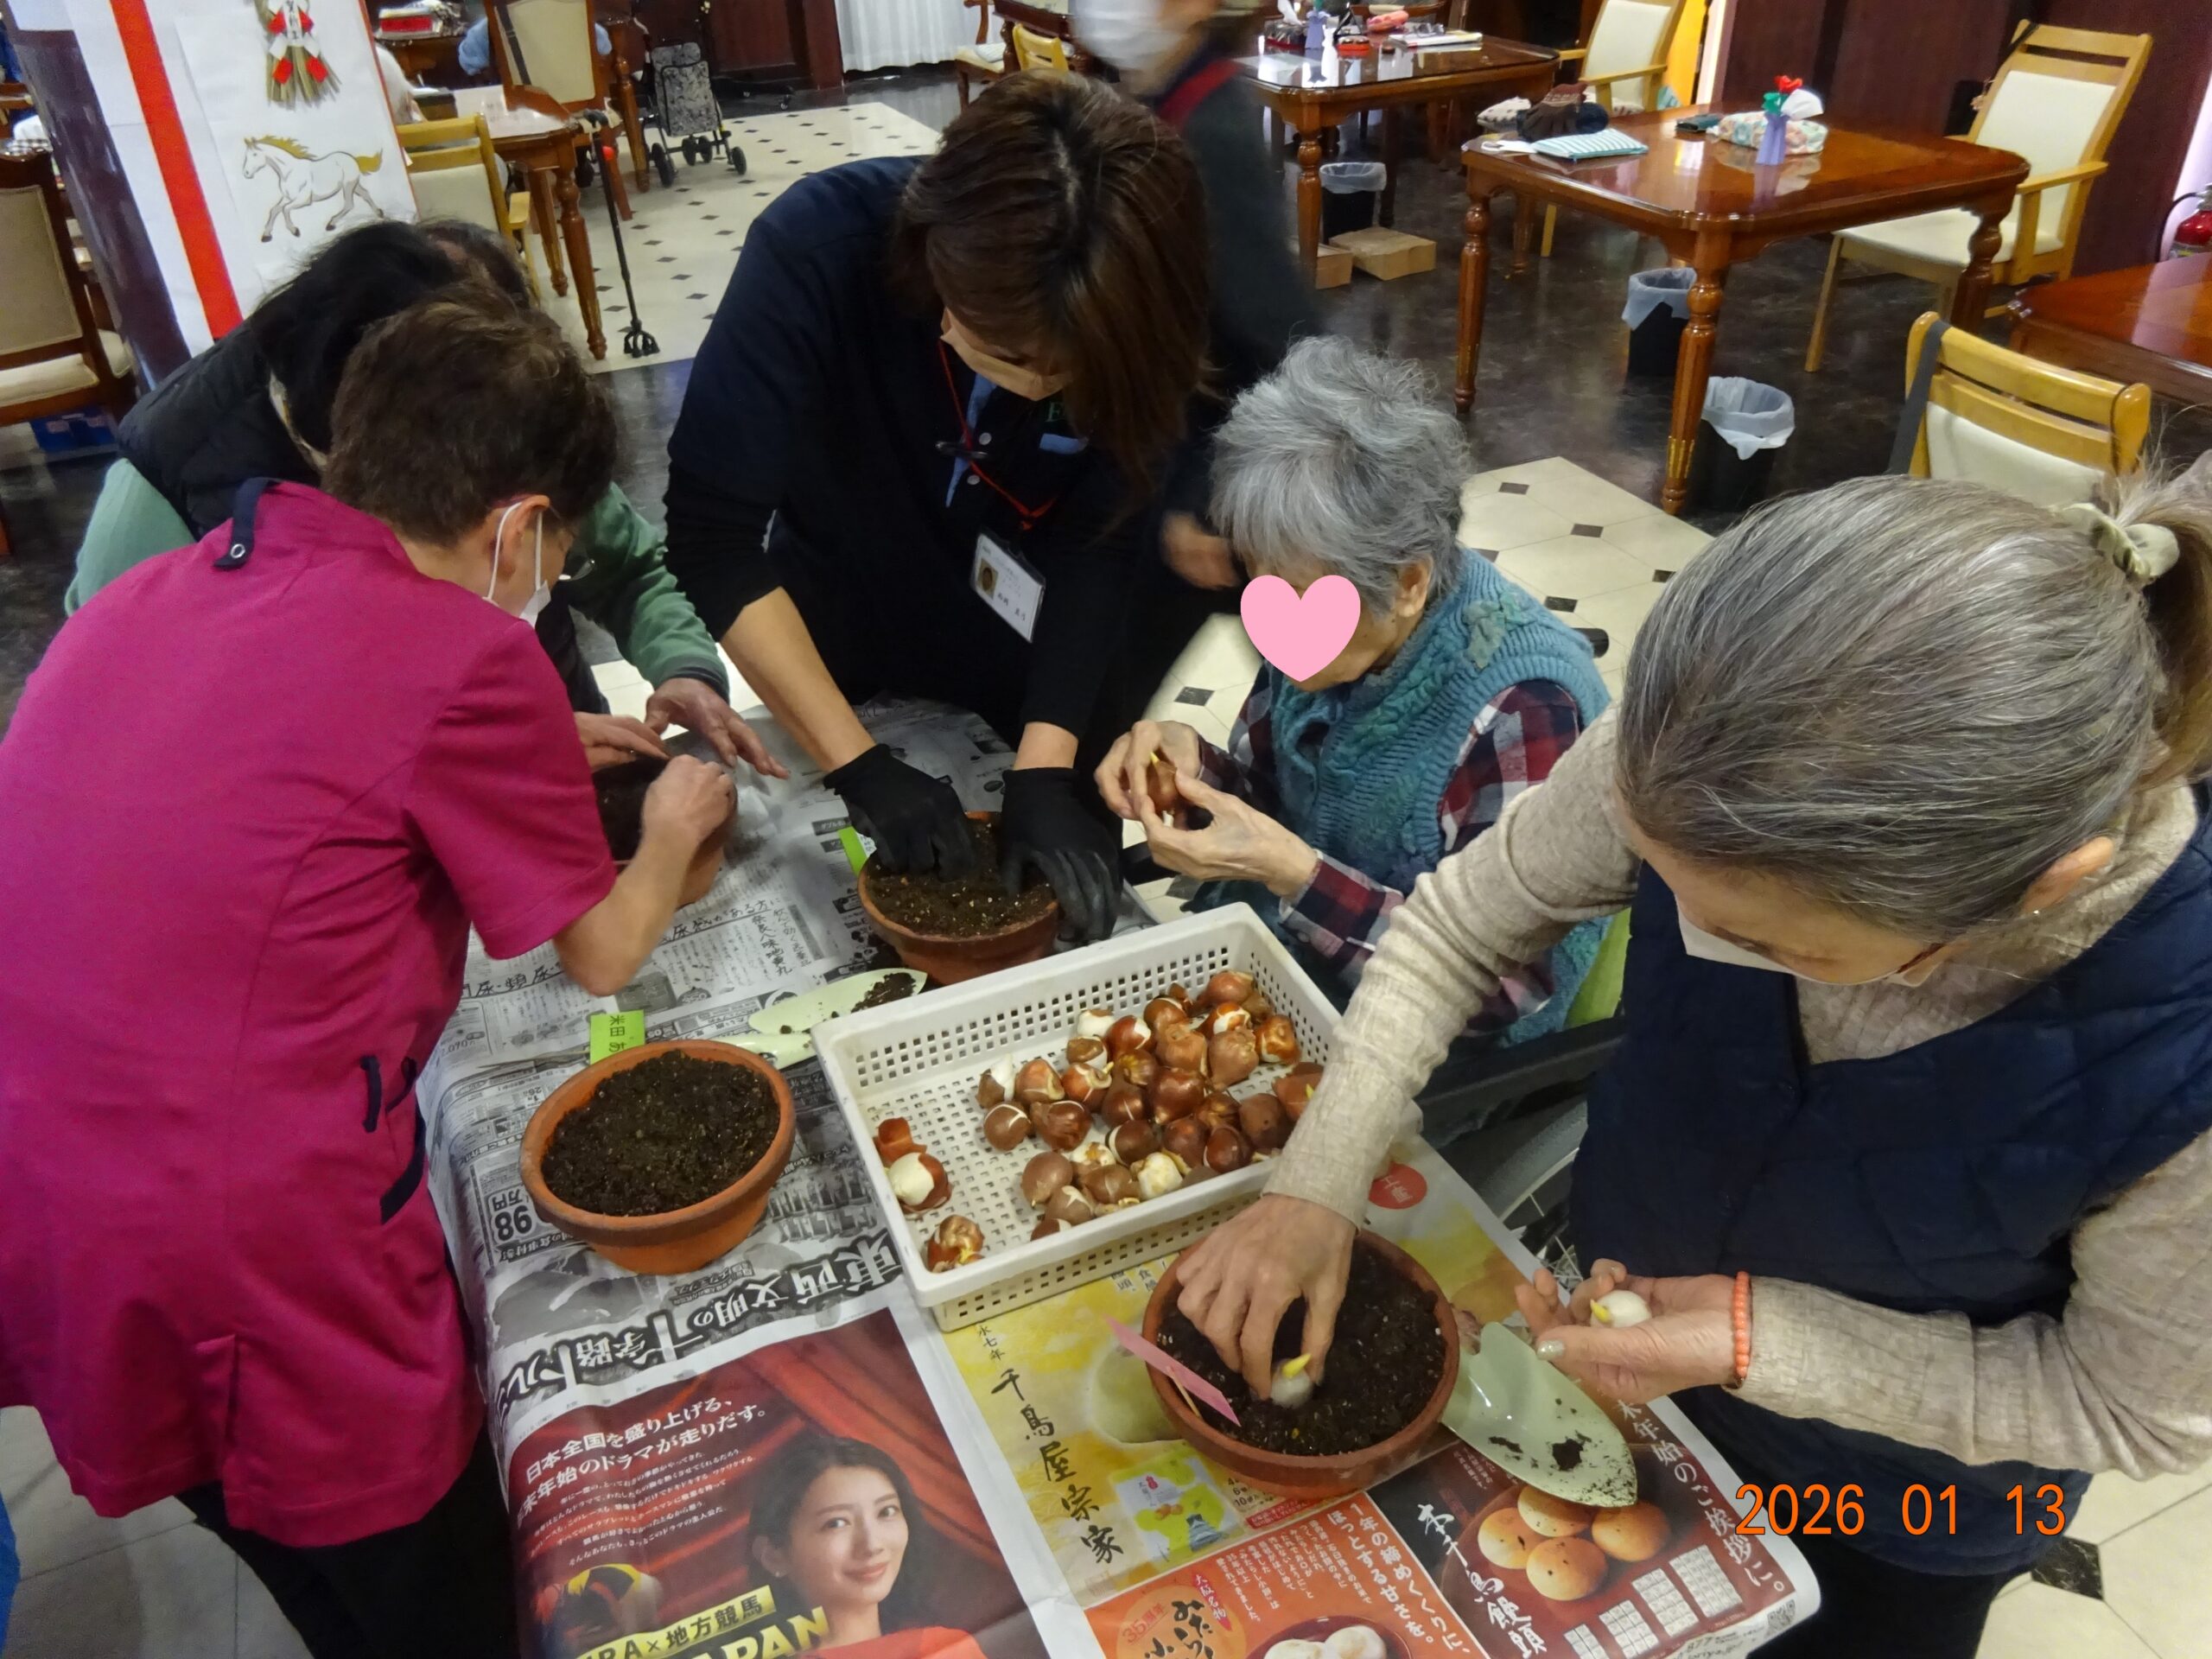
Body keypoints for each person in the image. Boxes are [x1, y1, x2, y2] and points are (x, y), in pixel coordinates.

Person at [1175, 468, 2212, 1656]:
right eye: (1664, 889)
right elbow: (1459, 924)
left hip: (1896, 1509)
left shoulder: (2178, 1046)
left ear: (2039, 891)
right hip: (1638, 1366)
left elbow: (2135, 1407)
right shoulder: (1703, 741)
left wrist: (1759, 1343)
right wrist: (1316, 1183)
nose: (1694, 939)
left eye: (1773, 943)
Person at [0, 292, 736, 1658]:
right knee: (432, 1594)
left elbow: (287, 772)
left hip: (48, 1204)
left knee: (289, 1556)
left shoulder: (167, 582)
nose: (548, 583)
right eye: (558, 556)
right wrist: (676, 826)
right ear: (520, 527)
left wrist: (520, 749)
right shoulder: (463, 653)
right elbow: (601, 953)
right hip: (246, 1240)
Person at [661, 70, 1212, 942]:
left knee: (1058, 902)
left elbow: (1102, 539)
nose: (1045, 387)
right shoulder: (818, 250)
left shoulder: (1137, 286)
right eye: (1012, 356)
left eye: (1072, 372)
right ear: (932, 265)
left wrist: (1044, 769)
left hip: (1035, 648)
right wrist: (859, 765)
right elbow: (712, 538)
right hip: (838, 621)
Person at [69, 219, 780, 777]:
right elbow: (134, 726)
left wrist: (683, 668)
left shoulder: (506, 412)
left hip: (552, 747)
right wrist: (474, 753)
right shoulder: (173, 476)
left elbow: (628, 568)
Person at [1098, 339, 1607, 1045]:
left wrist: (1293, 873)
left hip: (1432, 1050)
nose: (1274, 619)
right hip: (1285, 979)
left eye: (1298, 593)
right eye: (1259, 577)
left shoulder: (1525, 709)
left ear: (1410, 583)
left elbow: (1499, 987)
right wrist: (1193, 770)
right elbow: (1270, 796)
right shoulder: (1325, 623)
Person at [1070, 0, 1317, 593]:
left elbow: (1270, 330)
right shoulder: (1154, 103)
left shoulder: (1211, 131)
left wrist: (1202, 496)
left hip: (1212, 465)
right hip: (1161, 450)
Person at [745, 1436, 985, 1659]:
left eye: (886, 1512)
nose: (872, 1545)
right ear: (774, 1556)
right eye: (836, 1523)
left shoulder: (943, 1649)